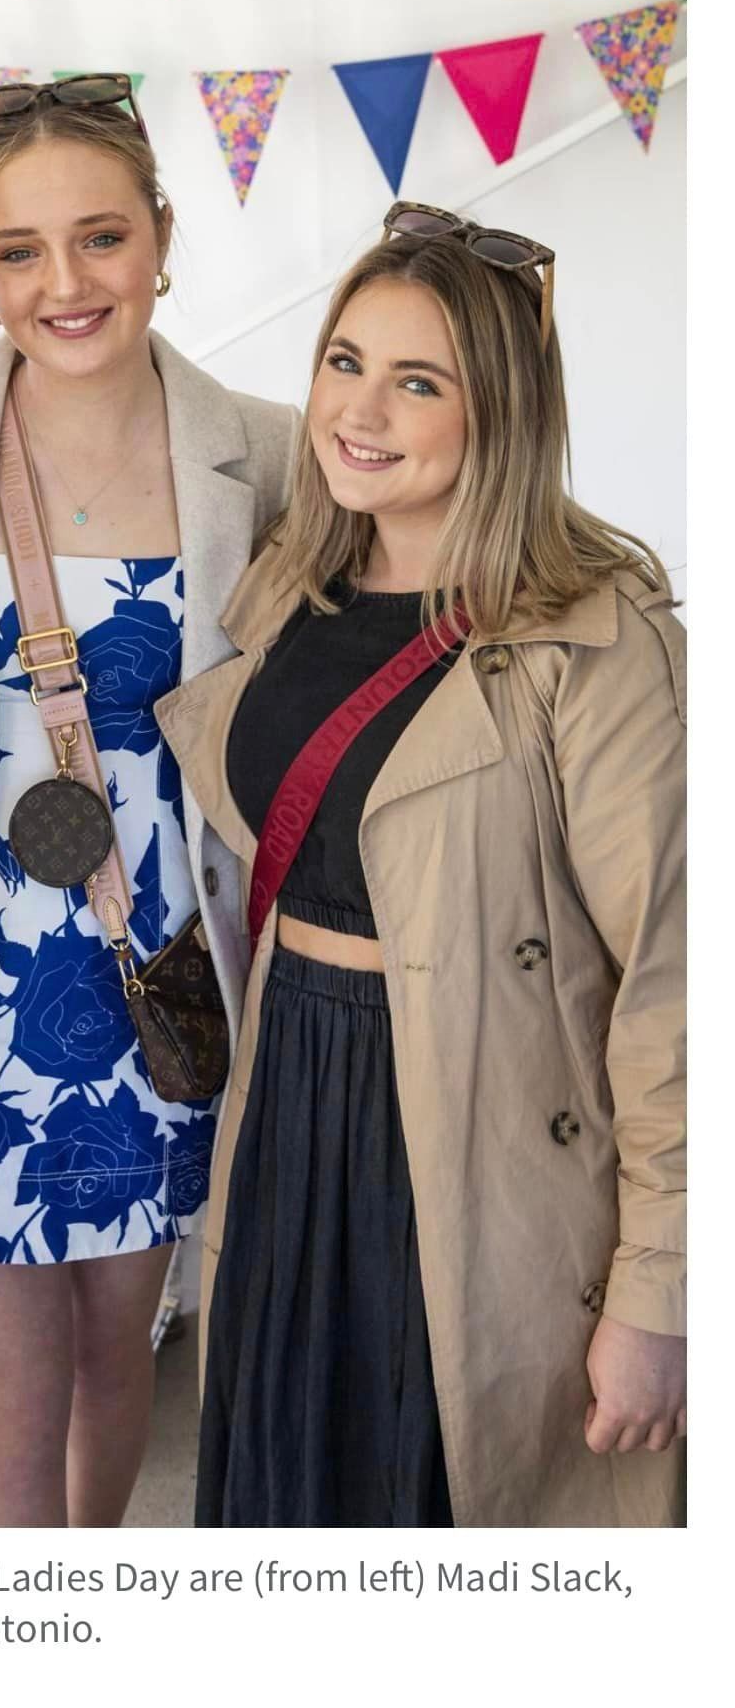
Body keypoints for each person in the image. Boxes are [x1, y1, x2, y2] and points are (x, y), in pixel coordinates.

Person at [154, 203, 686, 1528]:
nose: (361, 411)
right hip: (289, 1102)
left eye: (417, 381)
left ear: (496, 410)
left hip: (479, 1130)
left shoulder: (595, 635)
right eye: (344, 361)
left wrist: (661, 1290)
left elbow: (678, 983)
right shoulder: (294, 581)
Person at [0, 79, 298, 1525]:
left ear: (162, 238)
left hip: (166, 981)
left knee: (120, 1367)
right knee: (3, 1405)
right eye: (18, 250)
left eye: (99, 237)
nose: (63, 283)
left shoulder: (274, 453)